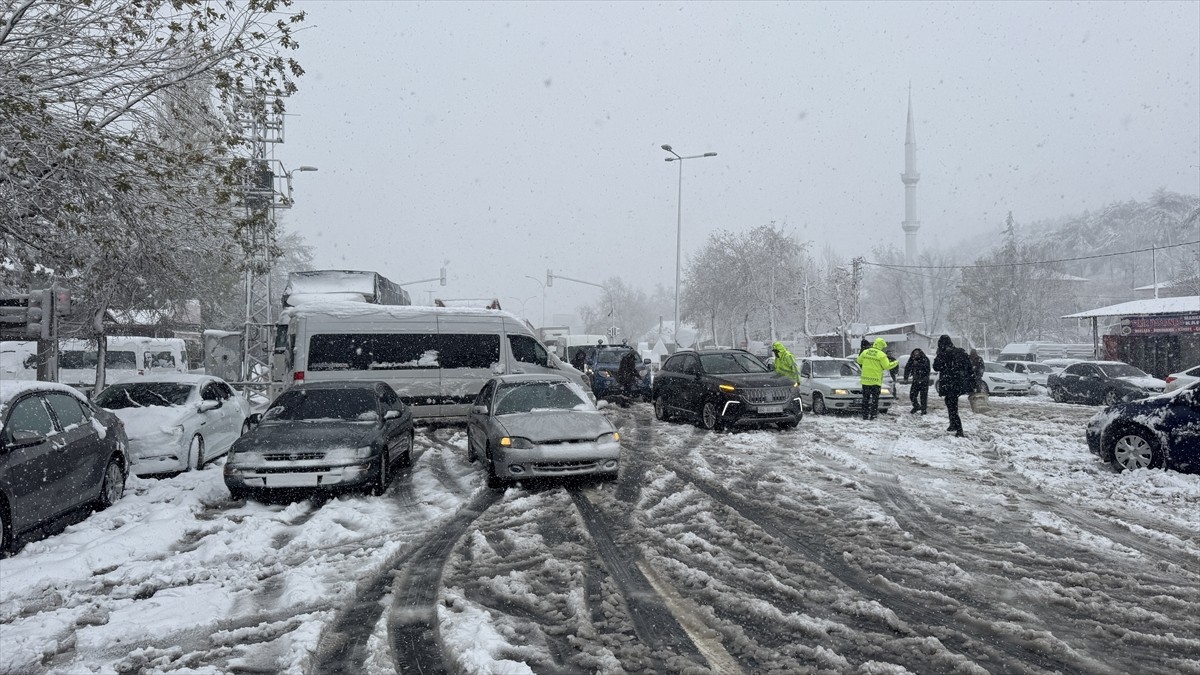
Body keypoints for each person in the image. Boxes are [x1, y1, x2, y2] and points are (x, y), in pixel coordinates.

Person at [933, 335, 975, 437]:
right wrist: (972, 382)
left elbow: (936, 367)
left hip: (949, 383)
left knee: (952, 406)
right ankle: (953, 424)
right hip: (959, 383)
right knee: (950, 402)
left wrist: (939, 355)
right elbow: (969, 367)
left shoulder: (943, 354)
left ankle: (959, 430)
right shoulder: (960, 352)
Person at [856, 338, 898, 420]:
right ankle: (873, 415)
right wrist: (896, 362)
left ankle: (865, 415)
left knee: (865, 399)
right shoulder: (881, 355)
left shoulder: (865, 352)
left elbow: (859, 361)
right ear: (881, 346)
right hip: (875, 381)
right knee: (875, 400)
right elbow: (887, 366)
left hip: (865, 381)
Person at [904, 348, 931, 414]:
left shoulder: (925, 359)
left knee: (923, 396)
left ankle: (923, 410)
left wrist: (918, 364)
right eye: (914, 354)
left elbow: (927, 369)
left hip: (924, 380)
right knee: (912, 395)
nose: (915, 355)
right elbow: (907, 367)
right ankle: (916, 406)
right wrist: (906, 377)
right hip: (915, 380)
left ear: (920, 353)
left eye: (917, 354)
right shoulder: (912, 359)